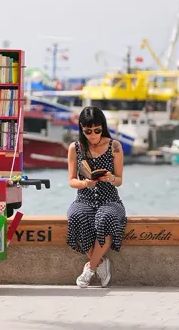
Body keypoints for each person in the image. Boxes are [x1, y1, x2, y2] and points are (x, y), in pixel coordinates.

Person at [66, 106, 126, 288]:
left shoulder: (114, 146)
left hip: (109, 199)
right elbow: (71, 181)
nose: (93, 135)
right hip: (84, 198)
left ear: (103, 127)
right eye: (88, 131)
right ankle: (100, 264)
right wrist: (85, 183)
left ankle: (90, 269)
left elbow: (120, 180)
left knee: (105, 218)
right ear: (82, 129)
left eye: (97, 130)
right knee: (76, 217)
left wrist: (111, 178)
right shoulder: (75, 148)